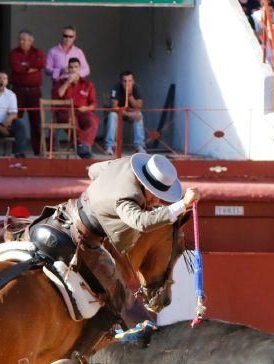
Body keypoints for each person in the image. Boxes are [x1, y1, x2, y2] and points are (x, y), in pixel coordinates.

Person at [73, 153, 199, 339]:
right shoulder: (127, 197)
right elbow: (141, 222)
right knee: (117, 298)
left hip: (72, 211)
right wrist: (182, 205)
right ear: (145, 185)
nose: (156, 202)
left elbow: (93, 171)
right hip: (87, 234)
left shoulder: (123, 164)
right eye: (156, 196)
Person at [51, 56, 97, 159]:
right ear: (68, 69)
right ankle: (83, 146)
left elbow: (93, 104)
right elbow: (58, 95)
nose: (73, 69)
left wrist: (86, 108)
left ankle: (82, 145)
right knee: (72, 121)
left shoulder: (87, 84)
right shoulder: (61, 82)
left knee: (92, 121)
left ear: (79, 69)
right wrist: (68, 82)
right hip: (65, 112)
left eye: (76, 67)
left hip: (83, 111)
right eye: (71, 67)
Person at [9, 29, 45, 155]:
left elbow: (41, 64)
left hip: (34, 92)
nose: (21, 41)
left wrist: (25, 66)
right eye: (20, 39)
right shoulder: (14, 53)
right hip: (18, 91)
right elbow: (16, 68)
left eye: (24, 39)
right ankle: (17, 150)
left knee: (36, 121)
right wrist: (29, 67)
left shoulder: (38, 52)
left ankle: (37, 150)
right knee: (16, 119)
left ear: (31, 41)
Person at [104, 70, 145, 156]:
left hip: (130, 112)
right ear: (121, 81)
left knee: (139, 115)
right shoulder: (116, 88)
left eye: (130, 81)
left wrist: (130, 95)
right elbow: (114, 108)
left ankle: (139, 146)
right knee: (112, 115)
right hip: (119, 113)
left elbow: (139, 106)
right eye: (124, 81)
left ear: (133, 81)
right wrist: (129, 114)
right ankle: (109, 146)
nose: (127, 83)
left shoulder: (136, 88)